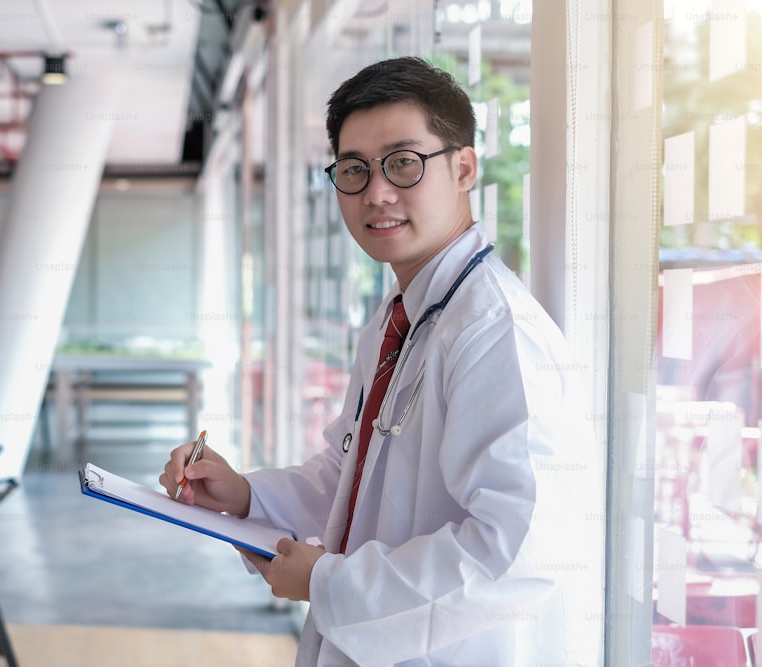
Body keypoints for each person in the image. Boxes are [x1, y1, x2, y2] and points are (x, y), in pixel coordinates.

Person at [161, 56, 600, 665]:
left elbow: (520, 552)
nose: (377, 193)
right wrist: (243, 497)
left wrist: (328, 584)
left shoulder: (494, 331)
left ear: (464, 167)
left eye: (403, 162)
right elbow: (351, 477)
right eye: (354, 169)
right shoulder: (402, 320)